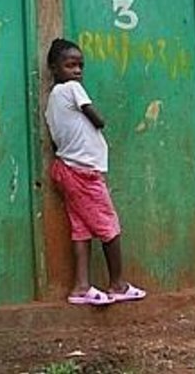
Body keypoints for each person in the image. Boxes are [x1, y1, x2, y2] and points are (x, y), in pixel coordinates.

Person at [45, 38, 145, 306]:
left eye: (80, 66)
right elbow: (98, 120)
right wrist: (98, 121)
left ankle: (81, 287)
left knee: (81, 229)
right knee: (109, 226)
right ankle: (118, 284)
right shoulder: (72, 89)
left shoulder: (51, 101)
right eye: (70, 65)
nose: (77, 71)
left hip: (66, 168)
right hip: (84, 172)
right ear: (54, 68)